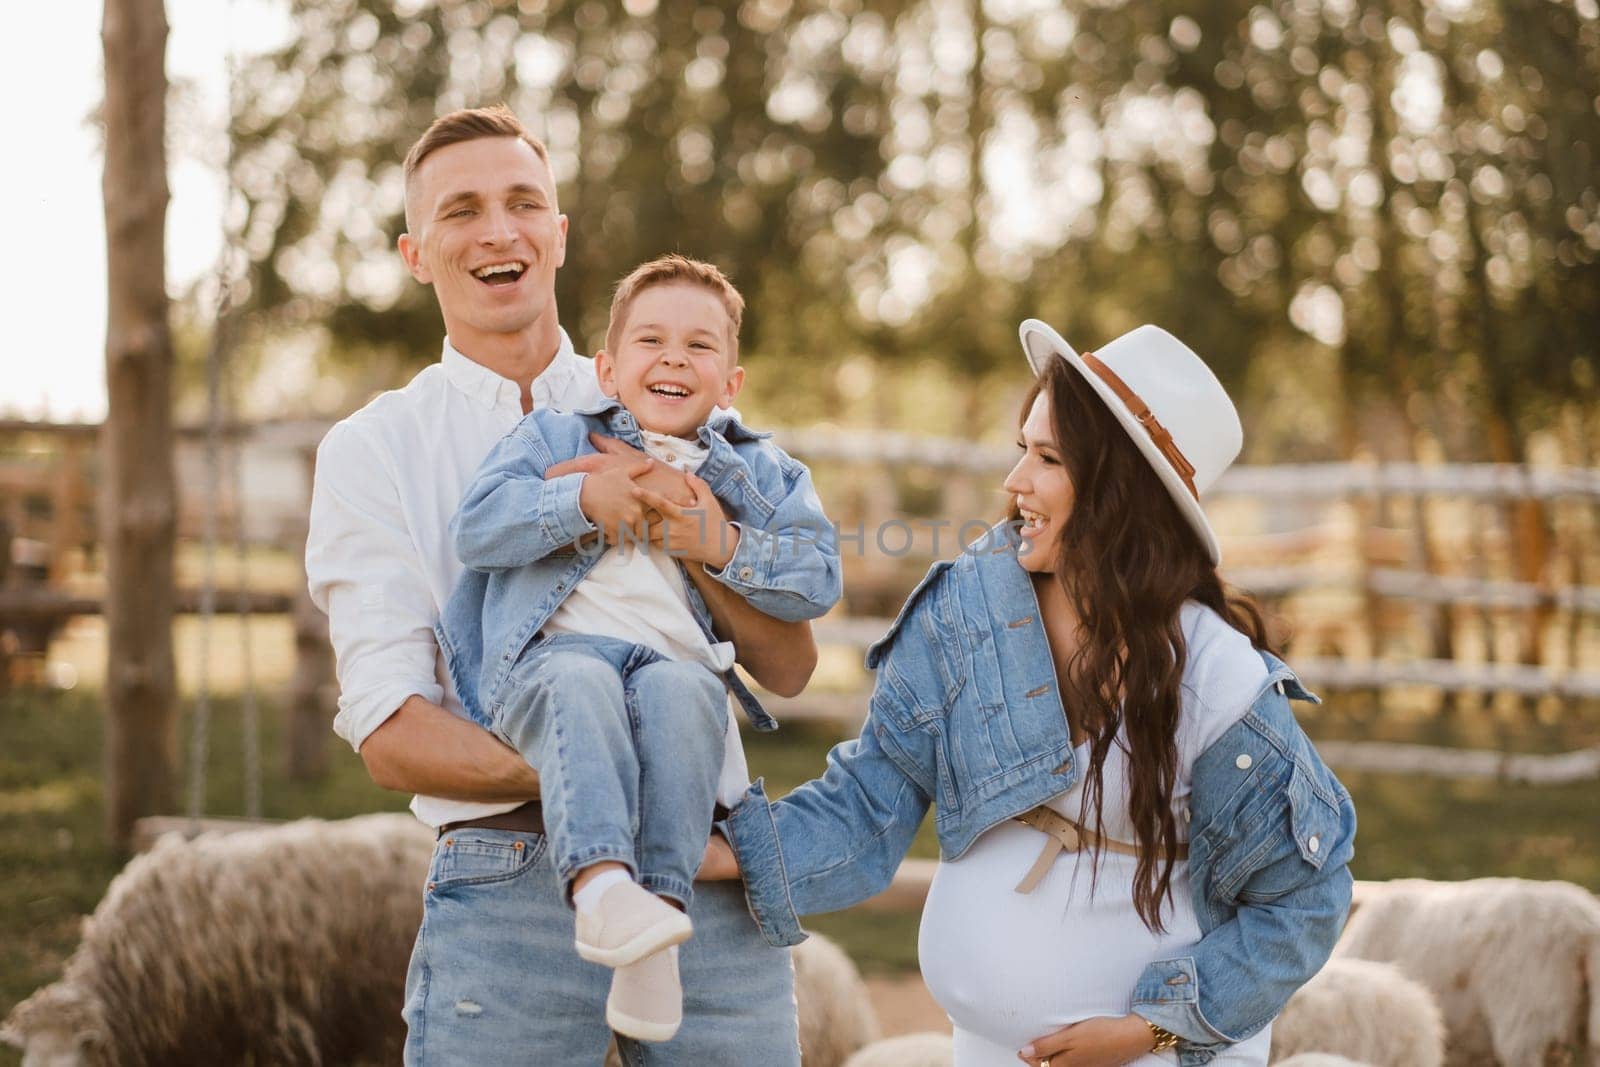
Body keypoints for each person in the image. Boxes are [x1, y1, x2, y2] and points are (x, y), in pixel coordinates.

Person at [703, 320, 1358, 1067]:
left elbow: (1304, 900)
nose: (1015, 481)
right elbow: (867, 803)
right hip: (988, 1050)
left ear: (1121, 492)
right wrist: (715, 851)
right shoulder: (965, 611)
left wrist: (1149, 1030)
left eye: (1047, 457)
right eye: (1023, 447)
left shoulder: (1215, 676)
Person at [306, 106, 812, 1065]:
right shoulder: (376, 450)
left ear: (559, 233)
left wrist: (701, 534)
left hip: (706, 880)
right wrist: (612, 785)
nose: (498, 230)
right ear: (417, 254)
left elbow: (788, 663)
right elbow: (391, 734)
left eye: (522, 202)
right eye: (461, 211)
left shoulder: (675, 390)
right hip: (508, 885)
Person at [435, 254, 842, 1042]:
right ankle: (599, 884)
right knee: (582, 679)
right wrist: (586, 497)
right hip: (553, 660)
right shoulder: (556, 434)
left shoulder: (762, 473)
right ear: (609, 369)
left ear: (731, 382)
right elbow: (479, 526)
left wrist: (719, 540)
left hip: (675, 669)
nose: (674, 358)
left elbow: (817, 577)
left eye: (700, 347)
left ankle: (654, 925)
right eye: (651, 340)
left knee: (690, 697)